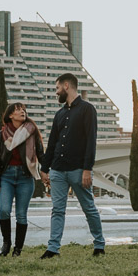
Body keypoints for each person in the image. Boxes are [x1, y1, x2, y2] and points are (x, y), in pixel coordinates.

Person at [39, 74, 106, 258]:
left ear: (66, 86)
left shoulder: (87, 110)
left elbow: (91, 141)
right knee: (57, 210)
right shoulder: (59, 114)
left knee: (89, 208)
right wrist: (44, 169)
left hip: (79, 170)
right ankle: (53, 249)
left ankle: (99, 245)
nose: (56, 92)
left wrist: (87, 169)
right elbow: (52, 144)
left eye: (57, 88)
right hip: (58, 170)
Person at [0, 102, 43, 257]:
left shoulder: (31, 131)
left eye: (23, 110)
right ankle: (6, 244)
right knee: (4, 211)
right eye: (18, 110)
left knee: (21, 214)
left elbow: (40, 153)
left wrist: (45, 171)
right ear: (10, 115)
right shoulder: (3, 134)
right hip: (6, 177)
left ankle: (18, 249)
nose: (22, 111)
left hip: (25, 177)